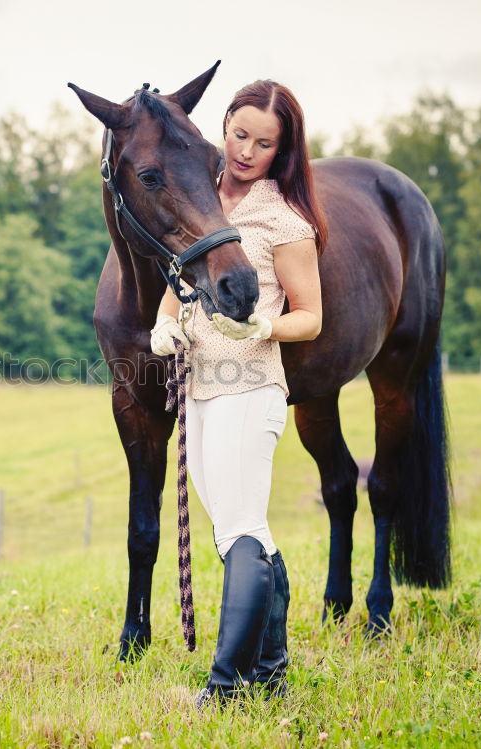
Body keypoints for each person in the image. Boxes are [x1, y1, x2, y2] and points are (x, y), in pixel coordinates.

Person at [149, 79, 327, 705]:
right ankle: (272, 672)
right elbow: (183, 273)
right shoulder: (200, 200)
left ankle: (224, 690)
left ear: (283, 152)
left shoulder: (284, 222)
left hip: (251, 389)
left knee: (239, 531)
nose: (248, 150)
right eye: (240, 133)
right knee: (243, 527)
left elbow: (311, 315)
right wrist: (168, 321)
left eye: (265, 143)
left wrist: (264, 325)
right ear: (224, 125)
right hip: (200, 387)